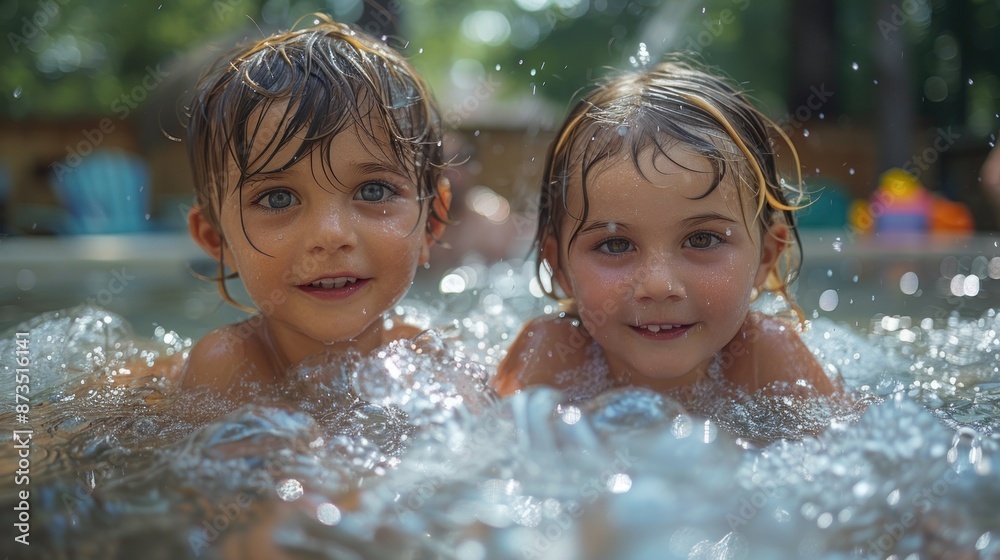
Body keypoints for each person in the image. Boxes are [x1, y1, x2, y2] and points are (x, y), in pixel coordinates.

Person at [493, 57, 839, 402]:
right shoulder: (553, 356)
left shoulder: (767, 360)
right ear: (559, 266)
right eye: (615, 245)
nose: (659, 286)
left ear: (765, 258)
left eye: (702, 239)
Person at [181, 14, 451, 395]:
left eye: (373, 191)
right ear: (217, 239)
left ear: (432, 220)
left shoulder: (430, 361)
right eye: (278, 198)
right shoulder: (228, 365)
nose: (331, 235)